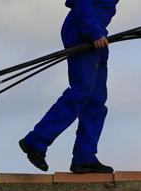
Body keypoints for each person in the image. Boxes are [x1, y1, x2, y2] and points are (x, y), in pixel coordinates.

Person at [19, 0, 119, 173]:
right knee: (81, 92)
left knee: (96, 100)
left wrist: (97, 32)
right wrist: (93, 32)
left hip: (97, 35)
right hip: (83, 32)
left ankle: (85, 157)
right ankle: (35, 141)